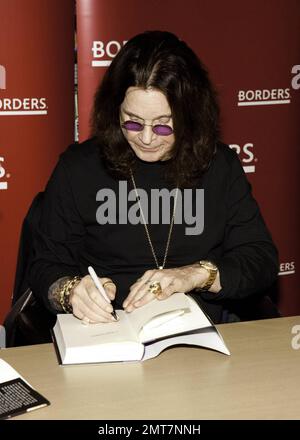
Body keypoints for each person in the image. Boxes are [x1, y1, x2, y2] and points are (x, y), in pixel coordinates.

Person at [29, 30, 278, 325]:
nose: (146, 138)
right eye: (132, 122)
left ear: (190, 117)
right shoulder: (79, 168)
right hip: (106, 332)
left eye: (163, 126)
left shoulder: (218, 165)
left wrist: (197, 274)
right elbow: (44, 265)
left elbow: (260, 259)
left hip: (197, 334)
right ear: (115, 112)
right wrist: (71, 292)